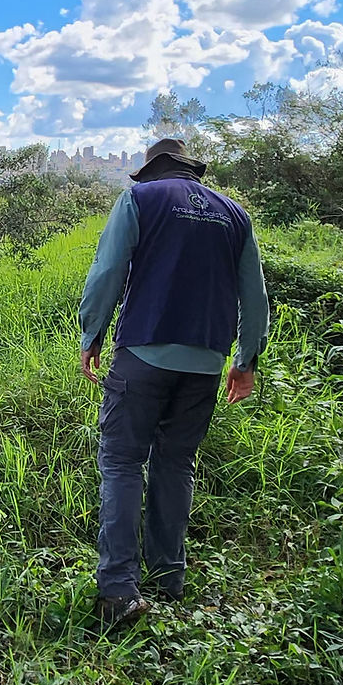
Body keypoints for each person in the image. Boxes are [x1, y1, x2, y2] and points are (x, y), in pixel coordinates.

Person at [78, 137, 269, 628]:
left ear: (152, 169)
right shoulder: (234, 213)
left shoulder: (138, 200)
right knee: (176, 462)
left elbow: (107, 272)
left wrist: (92, 333)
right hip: (206, 363)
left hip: (142, 353)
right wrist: (245, 360)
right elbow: (255, 294)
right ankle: (168, 579)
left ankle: (119, 590)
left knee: (122, 463)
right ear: (188, 170)